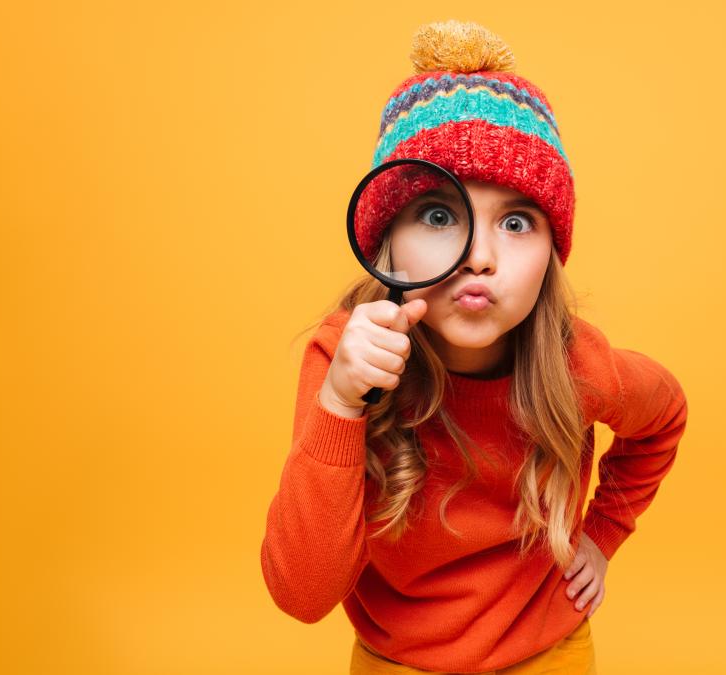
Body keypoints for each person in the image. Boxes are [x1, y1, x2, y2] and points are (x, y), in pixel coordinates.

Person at [260, 19, 688, 674]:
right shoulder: (343, 359)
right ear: (387, 242)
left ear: (551, 252)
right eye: (439, 215)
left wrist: (601, 536)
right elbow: (302, 592)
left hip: (546, 649)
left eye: (516, 222)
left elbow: (664, 414)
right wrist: (342, 403)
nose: (480, 257)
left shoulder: (578, 366)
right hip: (395, 659)